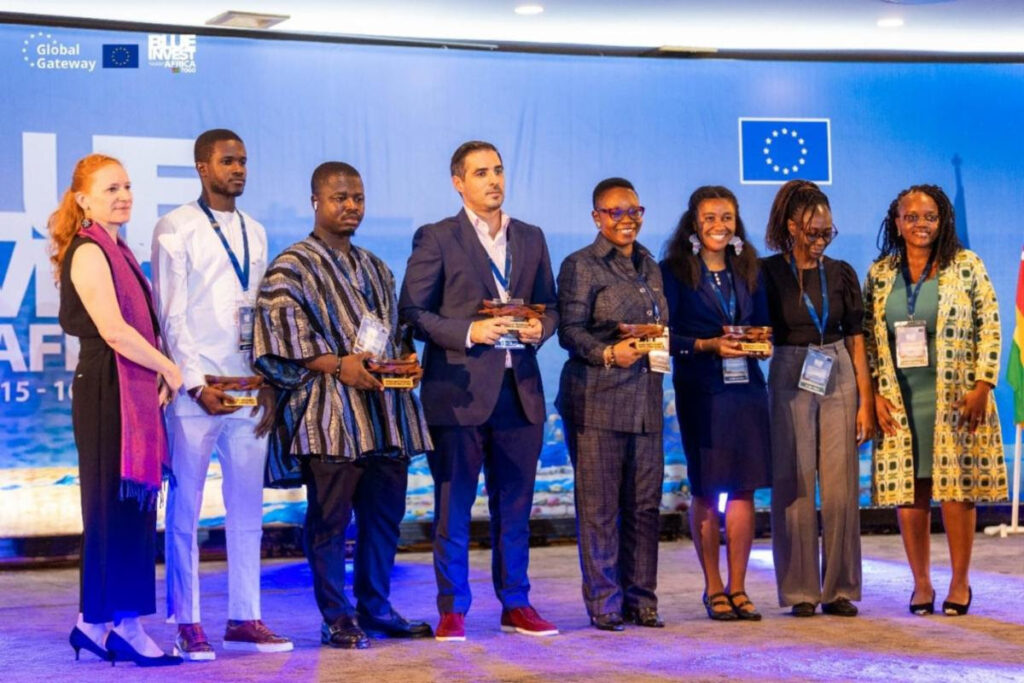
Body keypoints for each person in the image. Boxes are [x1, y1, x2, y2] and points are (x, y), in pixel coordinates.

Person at [253, 162, 433, 649]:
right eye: (339, 198)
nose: (351, 206)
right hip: (329, 416)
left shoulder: (376, 267)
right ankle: (336, 616)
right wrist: (337, 365)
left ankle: (375, 607)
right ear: (315, 201)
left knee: (384, 517)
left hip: (386, 415)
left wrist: (407, 361)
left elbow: (394, 333)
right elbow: (277, 340)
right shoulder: (291, 266)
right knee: (330, 520)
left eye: (358, 198)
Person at [399, 141, 559, 640]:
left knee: (515, 508)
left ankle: (516, 603)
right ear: (458, 182)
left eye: (498, 170)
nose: (493, 180)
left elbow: (551, 305)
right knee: (454, 508)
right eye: (481, 172)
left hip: (520, 392)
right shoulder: (437, 237)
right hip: (459, 393)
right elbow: (413, 313)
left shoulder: (530, 237)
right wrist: (470, 331)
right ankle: (453, 609)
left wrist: (541, 328)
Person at [151, 129, 292, 659]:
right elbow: (171, 315)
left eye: (243, 161)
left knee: (248, 509)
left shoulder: (256, 231)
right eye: (227, 161)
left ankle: (244, 617)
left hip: (247, 389)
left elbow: (261, 314)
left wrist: (267, 380)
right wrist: (192, 383)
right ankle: (187, 622)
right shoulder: (175, 227)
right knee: (185, 510)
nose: (238, 169)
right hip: (197, 391)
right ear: (202, 167)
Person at [52, 154, 183, 666]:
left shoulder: (120, 250)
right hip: (106, 389)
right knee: (110, 509)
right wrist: (168, 367)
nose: (124, 196)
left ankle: (99, 624)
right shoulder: (89, 251)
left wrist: (158, 369)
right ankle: (114, 623)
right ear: (83, 200)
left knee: (128, 512)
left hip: (126, 384)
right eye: (111, 189)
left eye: (127, 186)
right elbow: (113, 331)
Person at [864, 184, 1007, 617]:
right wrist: (874, 394)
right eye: (911, 217)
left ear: (942, 221)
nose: (920, 224)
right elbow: (868, 339)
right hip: (900, 397)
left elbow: (990, 325)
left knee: (956, 491)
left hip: (957, 397)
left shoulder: (966, 265)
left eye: (929, 216)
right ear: (897, 222)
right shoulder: (880, 274)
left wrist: (983, 384)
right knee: (911, 491)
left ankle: (960, 582)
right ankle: (921, 584)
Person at [556, 178, 667, 631]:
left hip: (647, 401)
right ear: (596, 217)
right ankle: (605, 602)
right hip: (597, 401)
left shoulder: (651, 266)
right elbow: (569, 331)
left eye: (634, 211)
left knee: (645, 507)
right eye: (615, 212)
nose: (627, 220)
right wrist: (607, 353)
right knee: (600, 509)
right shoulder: (580, 265)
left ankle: (642, 600)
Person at [762, 179, 873, 618]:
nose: (821, 239)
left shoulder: (842, 273)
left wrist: (865, 401)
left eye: (828, 232)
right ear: (791, 227)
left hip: (838, 365)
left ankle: (840, 588)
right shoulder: (768, 273)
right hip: (790, 368)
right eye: (813, 232)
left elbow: (857, 339)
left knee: (842, 485)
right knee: (794, 483)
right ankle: (800, 591)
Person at [660, 186, 772, 621]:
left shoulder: (750, 269)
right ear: (694, 223)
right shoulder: (673, 272)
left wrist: (761, 343)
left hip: (747, 391)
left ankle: (739, 587)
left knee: (744, 488)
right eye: (709, 217)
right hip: (701, 391)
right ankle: (713, 587)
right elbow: (665, 335)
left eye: (726, 217)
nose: (719, 226)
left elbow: (763, 324)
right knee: (707, 487)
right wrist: (706, 345)